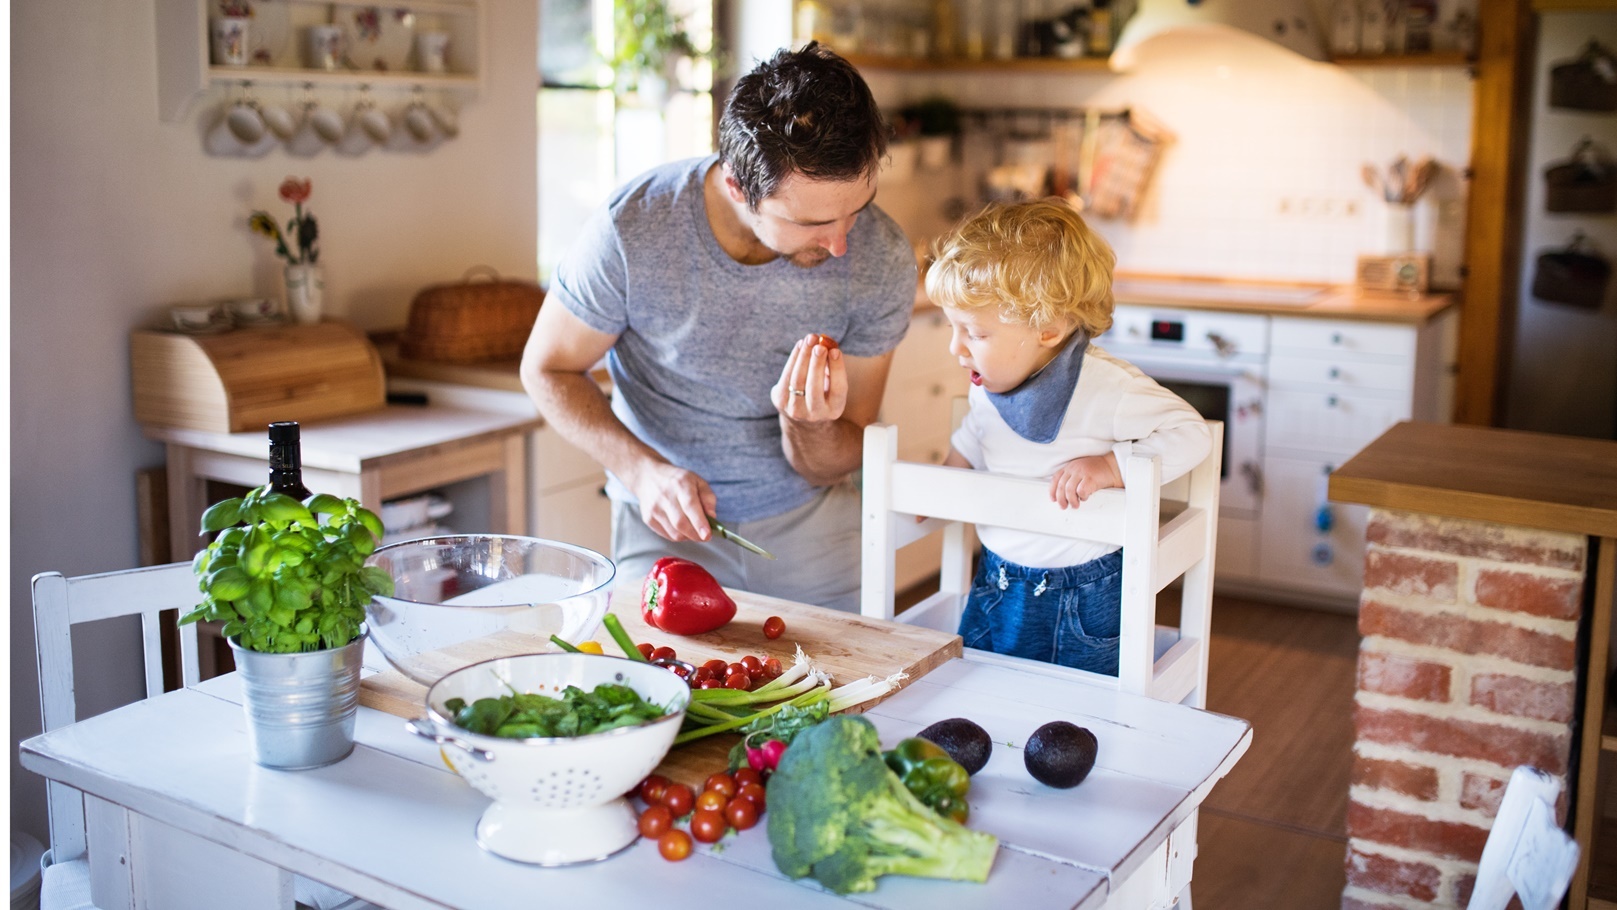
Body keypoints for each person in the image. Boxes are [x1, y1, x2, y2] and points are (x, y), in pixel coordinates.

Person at [520, 43, 917, 613]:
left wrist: (806, 426)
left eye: (858, 208)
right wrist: (641, 472)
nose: (841, 242)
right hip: (662, 524)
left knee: (836, 692)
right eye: (813, 221)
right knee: (653, 694)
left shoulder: (880, 254)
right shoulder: (634, 227)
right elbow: (547, 368)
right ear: (737, 186)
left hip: (810, 523)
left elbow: (843, 448)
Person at [924, 198, 1212, 673]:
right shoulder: (987, 381)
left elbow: (1191, 435)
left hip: (1083, 591)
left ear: (1048, 329)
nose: (956, 349)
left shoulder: (1110, 388)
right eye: (952, 328)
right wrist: (945, 484)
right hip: (996, 576)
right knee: (980, 686)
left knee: (1080, 711)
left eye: (974, 332)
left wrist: (1111, 468)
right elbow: (977, 435)